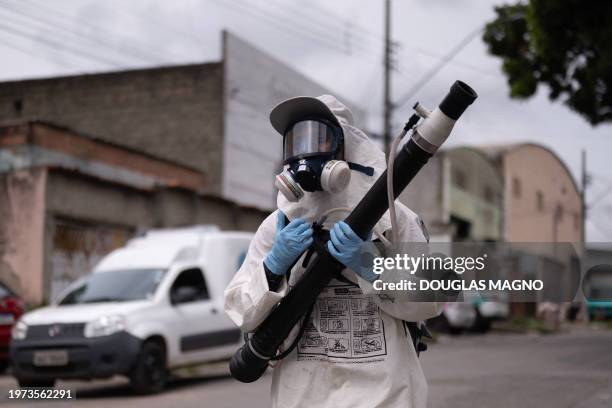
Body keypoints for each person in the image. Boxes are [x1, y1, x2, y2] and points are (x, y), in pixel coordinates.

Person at [224, 94, 442, 408]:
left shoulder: (391, 218)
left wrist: (370, 266)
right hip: (303, 397)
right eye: (295, 141)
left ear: (345, 148)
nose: (304, 151)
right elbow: (240, 311)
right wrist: (273, 268)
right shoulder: (277, 227)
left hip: (384, 397)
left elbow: (433, 298)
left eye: (317, 137)